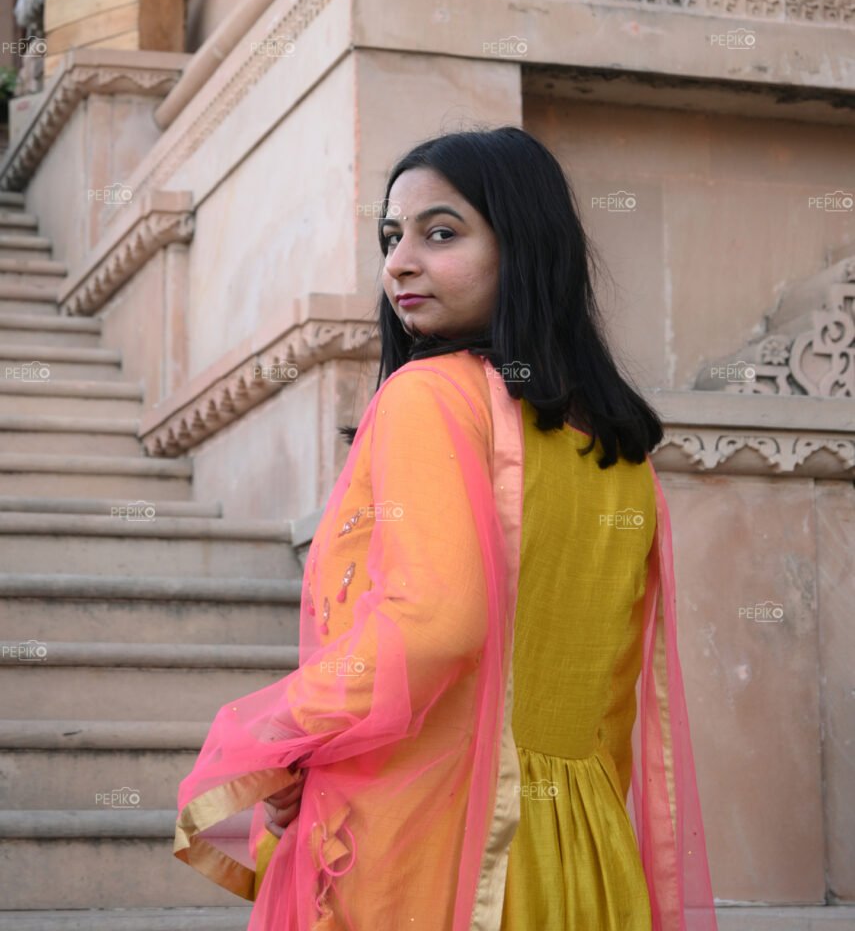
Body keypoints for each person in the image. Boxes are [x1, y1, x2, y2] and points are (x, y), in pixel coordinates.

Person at [174, 126, 718, 930]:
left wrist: (275, 736)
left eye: (441, 233)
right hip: (579, 848)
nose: (397, 263)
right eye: (391, 238)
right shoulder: (615, 448)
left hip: (431, 841)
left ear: (523, 247)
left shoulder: (431, 396)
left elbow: (433, 623)